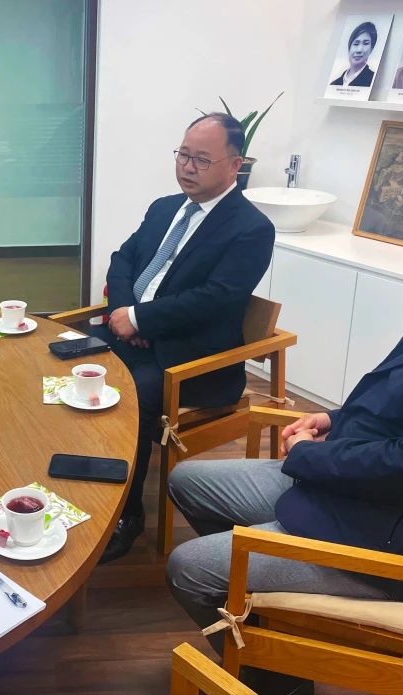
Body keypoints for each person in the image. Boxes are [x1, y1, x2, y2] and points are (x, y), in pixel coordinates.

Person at [166, 180, 403, 684]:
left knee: (189, 567)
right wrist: (334, 420)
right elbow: (400, 400)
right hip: (355, 495)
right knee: (187, 480)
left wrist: (306, 456)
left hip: (386, 544)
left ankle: (275, 681)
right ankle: (268, 620)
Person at [94, 113, 275, 563]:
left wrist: (141, 320)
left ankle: (125, 514)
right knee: (64, 356)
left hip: (190, 361)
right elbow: (122, 259)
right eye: (183, 155)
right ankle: (78, 480)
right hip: (136, 334)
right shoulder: (164, 207)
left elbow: (215, 300)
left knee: (129, 394)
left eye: (201, 160)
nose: (188, 167)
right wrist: (123, 314)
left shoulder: (251, 228)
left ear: (235, 165)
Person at [330, 21, 378, 87]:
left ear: (371, 49)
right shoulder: (334, 84)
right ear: (349, 47)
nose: (359, 50)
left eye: (365, 43)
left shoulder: (374, 80)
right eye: (356, 44)